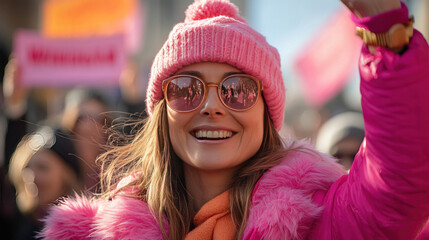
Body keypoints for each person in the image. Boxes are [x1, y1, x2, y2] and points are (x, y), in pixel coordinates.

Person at [40, 0, 429, 239]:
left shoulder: (320, 221)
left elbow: (397, 184)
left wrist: (385, 31)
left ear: (266, 111)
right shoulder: (90, 235)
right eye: (187, 88)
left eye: (238, 89)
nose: (211, 105)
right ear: (162, 112)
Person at [8, 127, 82, 239]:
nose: (32, 177)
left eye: (42, 168)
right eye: (27, 167)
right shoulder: (17, 222)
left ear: (66, 175)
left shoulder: (84, 230)